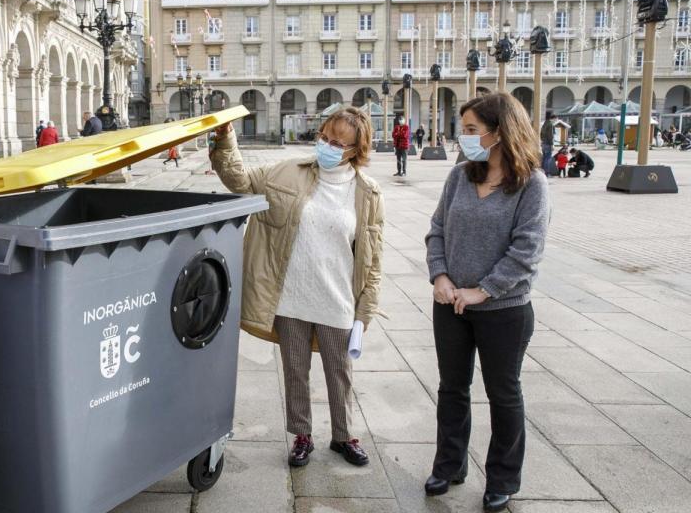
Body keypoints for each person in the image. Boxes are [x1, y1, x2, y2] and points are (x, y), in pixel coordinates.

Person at [210, 106, 385, 471]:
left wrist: (364, 311)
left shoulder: (366, 192)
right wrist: (226, 138)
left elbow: (373, 257)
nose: (327, 146)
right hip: (290, 294)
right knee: (295, 368)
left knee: (340, 371)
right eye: (324, 137)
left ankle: (344, 436)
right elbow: (239, 180)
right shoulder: (288, 171)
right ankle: (302, 435)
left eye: (338, 143)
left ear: (355, 150)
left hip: (337, 297)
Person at [424, 92, 550, 513]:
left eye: (473, 130)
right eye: (465, 129)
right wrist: (440, 276)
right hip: (451, 305)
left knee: (504, 392)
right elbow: (437, 230)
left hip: (504, 311)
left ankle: (502, 478)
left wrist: (484, 289)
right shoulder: (459, 176)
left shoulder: (532, 183)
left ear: (500, 133)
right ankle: (449, 465)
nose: (465, 137)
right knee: (452, 389)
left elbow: (527, 249)